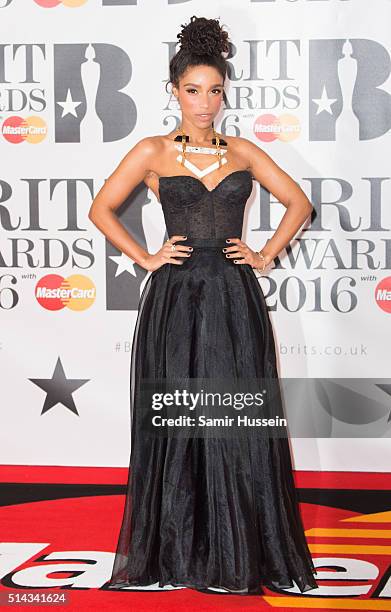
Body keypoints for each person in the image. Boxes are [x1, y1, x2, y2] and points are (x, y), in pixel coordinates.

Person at [89, 15, 319, 597]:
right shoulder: (152, 151)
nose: (205, 102)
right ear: (174, 92)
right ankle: (177, 549)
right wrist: (145, 257)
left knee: (236, 414)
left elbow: (298, 202)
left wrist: (265, 253)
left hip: (233, 297)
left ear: (224, 93)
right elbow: (101, 209)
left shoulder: (241, 150)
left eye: (215, 90)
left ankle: (240, 551)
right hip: (176, 297)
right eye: (194, 90)